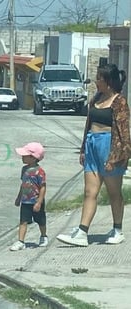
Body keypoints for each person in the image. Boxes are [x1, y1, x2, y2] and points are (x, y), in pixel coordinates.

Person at [57, 63, 131, 247]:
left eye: (99, 78)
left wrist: (116, 157)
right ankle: (82, 232)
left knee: (114, 193)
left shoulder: (119, 101)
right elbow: (88, 125)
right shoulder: (95, 99)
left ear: (108, 81)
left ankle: (117, 230)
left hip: (110, 147)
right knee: (90, 192)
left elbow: (124, 133)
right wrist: (83, 149)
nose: (96, 81)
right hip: (92, 145)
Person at [10, 142, 47, 251]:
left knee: (41, 220)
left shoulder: (39, 172)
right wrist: (18, 197)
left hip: (36, 201)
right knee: (23, 221)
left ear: (33, 157)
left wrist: (39, 202)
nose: (22, 157)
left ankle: (43, 236)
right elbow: (23, 185)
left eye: (25, 155)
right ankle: (21, 241)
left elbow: (43, 187)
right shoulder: (24, 170)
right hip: (25, 201)